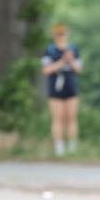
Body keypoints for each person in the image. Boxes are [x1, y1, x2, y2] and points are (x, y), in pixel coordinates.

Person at [41, 23, 83, 156]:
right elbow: (46, 70)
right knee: (58, 117)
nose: (61, 36)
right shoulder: (50, 50)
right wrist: (62, 61)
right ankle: (59, 148)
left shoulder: (73, 49)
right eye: (58, 34)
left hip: (71, 86)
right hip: (55, 87)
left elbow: (79, 69)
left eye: (63, 33)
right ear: (54, 35)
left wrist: (70, 60)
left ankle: (72, 147)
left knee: (72, 117)